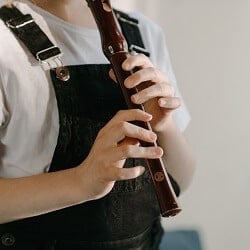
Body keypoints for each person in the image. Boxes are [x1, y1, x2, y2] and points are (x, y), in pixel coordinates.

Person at [0, 0, 196, 249]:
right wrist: (81, 181)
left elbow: (182, 178)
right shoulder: (4, 44)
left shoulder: (143, 33)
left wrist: (163, 126)